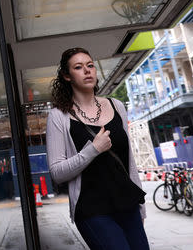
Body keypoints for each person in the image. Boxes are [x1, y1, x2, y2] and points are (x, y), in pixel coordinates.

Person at [45, 48, 149, 250]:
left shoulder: (116, 105)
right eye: (78, 67)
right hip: (92, 210)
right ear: (67, 76)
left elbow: (130, 162)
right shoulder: (58, 116)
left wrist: (141, 209)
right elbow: (57, 172)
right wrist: (92, 150)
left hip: (127, 204)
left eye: (90, 65)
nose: (87, 71)